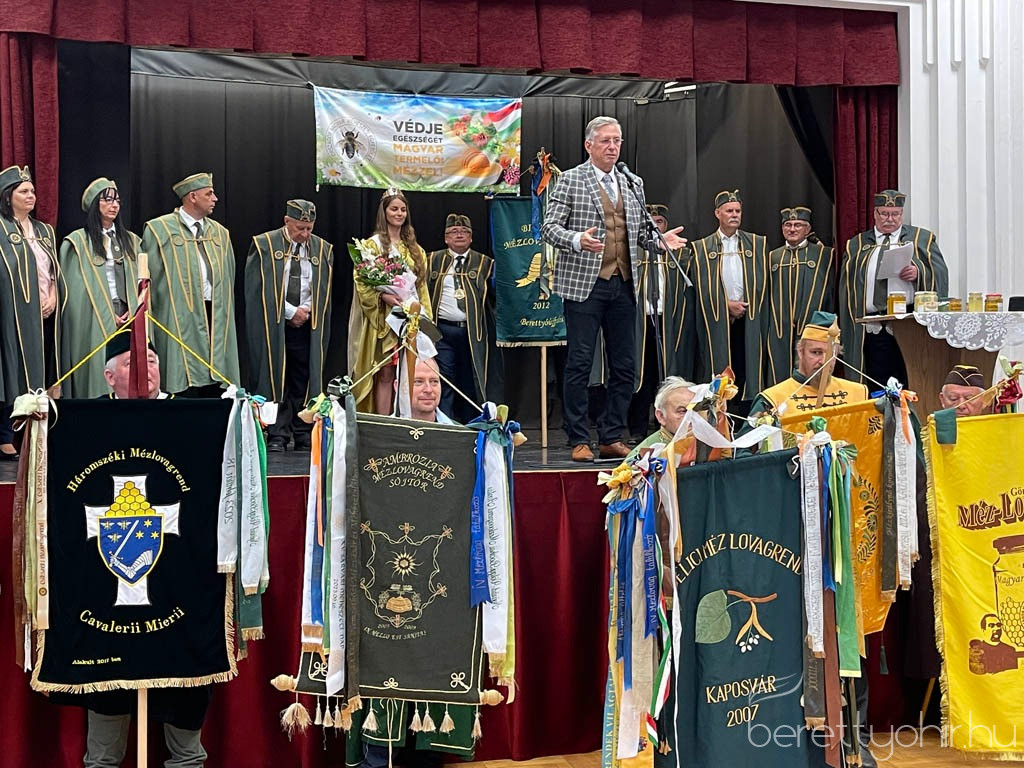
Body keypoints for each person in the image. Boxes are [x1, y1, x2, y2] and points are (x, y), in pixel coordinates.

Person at [541, 116, 686, 462]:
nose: (612, 147)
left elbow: (638, 234)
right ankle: (579, 438)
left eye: (617, 140)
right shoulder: (571, 180)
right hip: (584, 286)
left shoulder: (632, 182)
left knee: (625, 365)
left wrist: (658, 242)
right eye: (605, 140)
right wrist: (577, 239)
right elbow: (548, 228)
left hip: (623, 284)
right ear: (588, 145)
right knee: (579, 363)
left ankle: (611, 435)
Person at [245, 199, 334, 451]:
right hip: (274, 324)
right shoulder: (264, 245)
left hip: (308, 324)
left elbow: (321, 288)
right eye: (299, 228)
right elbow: (258, 290)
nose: (305, 235)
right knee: (276, 376)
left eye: (309, 229)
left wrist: (305, 310)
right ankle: (277, 433)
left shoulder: (322, 249)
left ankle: (303, 430)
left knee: (304, 376)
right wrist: (290, 312)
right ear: (287, 221)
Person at [142, 172, 240, 397]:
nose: (215, 198)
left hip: (214, 312)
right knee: (184, 376)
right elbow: (150, 282)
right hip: (178, 316)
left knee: (215, 378)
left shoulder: (220, 233)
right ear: (192, 197)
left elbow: (229, 277)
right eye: (209, 194)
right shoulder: (160, 230)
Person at [838, 189, 948, 388]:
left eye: (895, 214)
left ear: (901, 214)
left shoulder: (921, 238)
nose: (890, 219)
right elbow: (846, 286)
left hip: (908, 323)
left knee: (909, 377)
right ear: (875, 213)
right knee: (875, 380)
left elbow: (940, 272)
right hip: (871, 325)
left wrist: (918, 273)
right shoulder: (857, 244)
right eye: (884, 214)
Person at [349, 188, 432, 415]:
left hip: (410, 320)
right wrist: (384, 296)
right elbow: (362, 282)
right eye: (394, 209)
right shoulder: (372, 246)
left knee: (410, 372)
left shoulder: (415, 249)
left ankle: (407, 421)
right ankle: (383, 422)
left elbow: (421, 287)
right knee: (385, 373)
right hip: (384, 320)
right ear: (384, 212)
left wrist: (425, 317)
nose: (399, 214)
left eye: (403, 209)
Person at [59, 178, 144, 398]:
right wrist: (106, 313)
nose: (114, 205)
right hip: (94, 315)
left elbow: (142, 281)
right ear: (94, 204)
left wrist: (133, 308)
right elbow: (76, 292)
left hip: (129, 312)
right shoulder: (77, 243)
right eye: (107, 200)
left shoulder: (132, 241)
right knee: (99, 366)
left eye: (117, 200)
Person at [0, 164, 61, 461]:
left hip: (45, 312)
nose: (31, 196)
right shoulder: (1, 229)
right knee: (11, 368)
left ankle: (38, 431)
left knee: (43, 368)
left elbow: (52, 271)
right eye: (23, 191)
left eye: (33, 191)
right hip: (11, 314)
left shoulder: (44, 231)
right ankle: (6, 434)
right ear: (7, 196)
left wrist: (53, 294)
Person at [687, 190, 768, 409]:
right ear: (717, 213)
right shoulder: (702, 248)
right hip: (717, 319)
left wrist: (743, 305)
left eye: (738, 211)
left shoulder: (756, 244)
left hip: (748, 316)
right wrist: (726, 306)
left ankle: (747, 417)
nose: (734, 215)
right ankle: (721, 416)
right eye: (729, 211)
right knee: (720, 368)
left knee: (746, 367)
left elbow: (763, 282)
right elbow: (701, 288)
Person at [627, 204, 695, 440]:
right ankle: (637, 428)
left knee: (666, 373)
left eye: (660, 222)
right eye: (651, 222)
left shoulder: (678, 253)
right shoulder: (634, 252)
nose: (655, 226)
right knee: (640, 374)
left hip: (667, 321)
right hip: (640, 320)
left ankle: (666, 426)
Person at [426, 213, 498, 423]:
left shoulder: (485, 263)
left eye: (464, 231)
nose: (459, 235)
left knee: (471, 379)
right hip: (442, 331)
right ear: (446, 238)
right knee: (444, 377)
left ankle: (471, 424)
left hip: (472, 332)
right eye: (454, 232)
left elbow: (496, 297)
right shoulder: (431, 260)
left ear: (471, 237)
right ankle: (445, 423)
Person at [747, 310, 868, 424]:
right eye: (816, 352)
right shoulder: (773, 398)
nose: (824, 362)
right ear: (801, 352)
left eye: (831, 354)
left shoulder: (857, 393)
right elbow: (749, 440)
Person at [764, 206, 834, 386]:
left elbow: (832, 292)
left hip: (812, 325)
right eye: (788, 225)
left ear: (808, 229)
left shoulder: (824, 254)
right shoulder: (773, 257)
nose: (792, 229)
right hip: (780, 326)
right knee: (778, 371)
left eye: (798, 225)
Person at [627, 375, 696, 459]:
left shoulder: (708, 442)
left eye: (696, 410)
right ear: (661, 416)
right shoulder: (645, 457)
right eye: (682, 411)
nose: (692, 416)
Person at [102, 332, 172, 400]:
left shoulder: (177, 406)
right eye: (131, 363)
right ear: (110, 377)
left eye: (151, 361)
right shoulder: (98, 407)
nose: (144, 369)